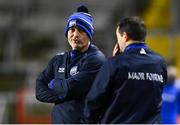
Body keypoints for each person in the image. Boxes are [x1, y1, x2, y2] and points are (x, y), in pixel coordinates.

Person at [82, 16, 167, 124]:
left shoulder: (114, 63)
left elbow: (93, 101)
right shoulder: (159, 63)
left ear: (125, 37)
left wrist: (114, 61)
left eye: (118, 38)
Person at [35, 5, 106, 124]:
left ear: (89, 35)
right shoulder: (58, 59)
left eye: (81, 30)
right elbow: (39, 89)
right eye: (72, 30)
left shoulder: (96, 59)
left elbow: (70, 88)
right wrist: (62, 94)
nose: (75, 35)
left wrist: (53, 84)